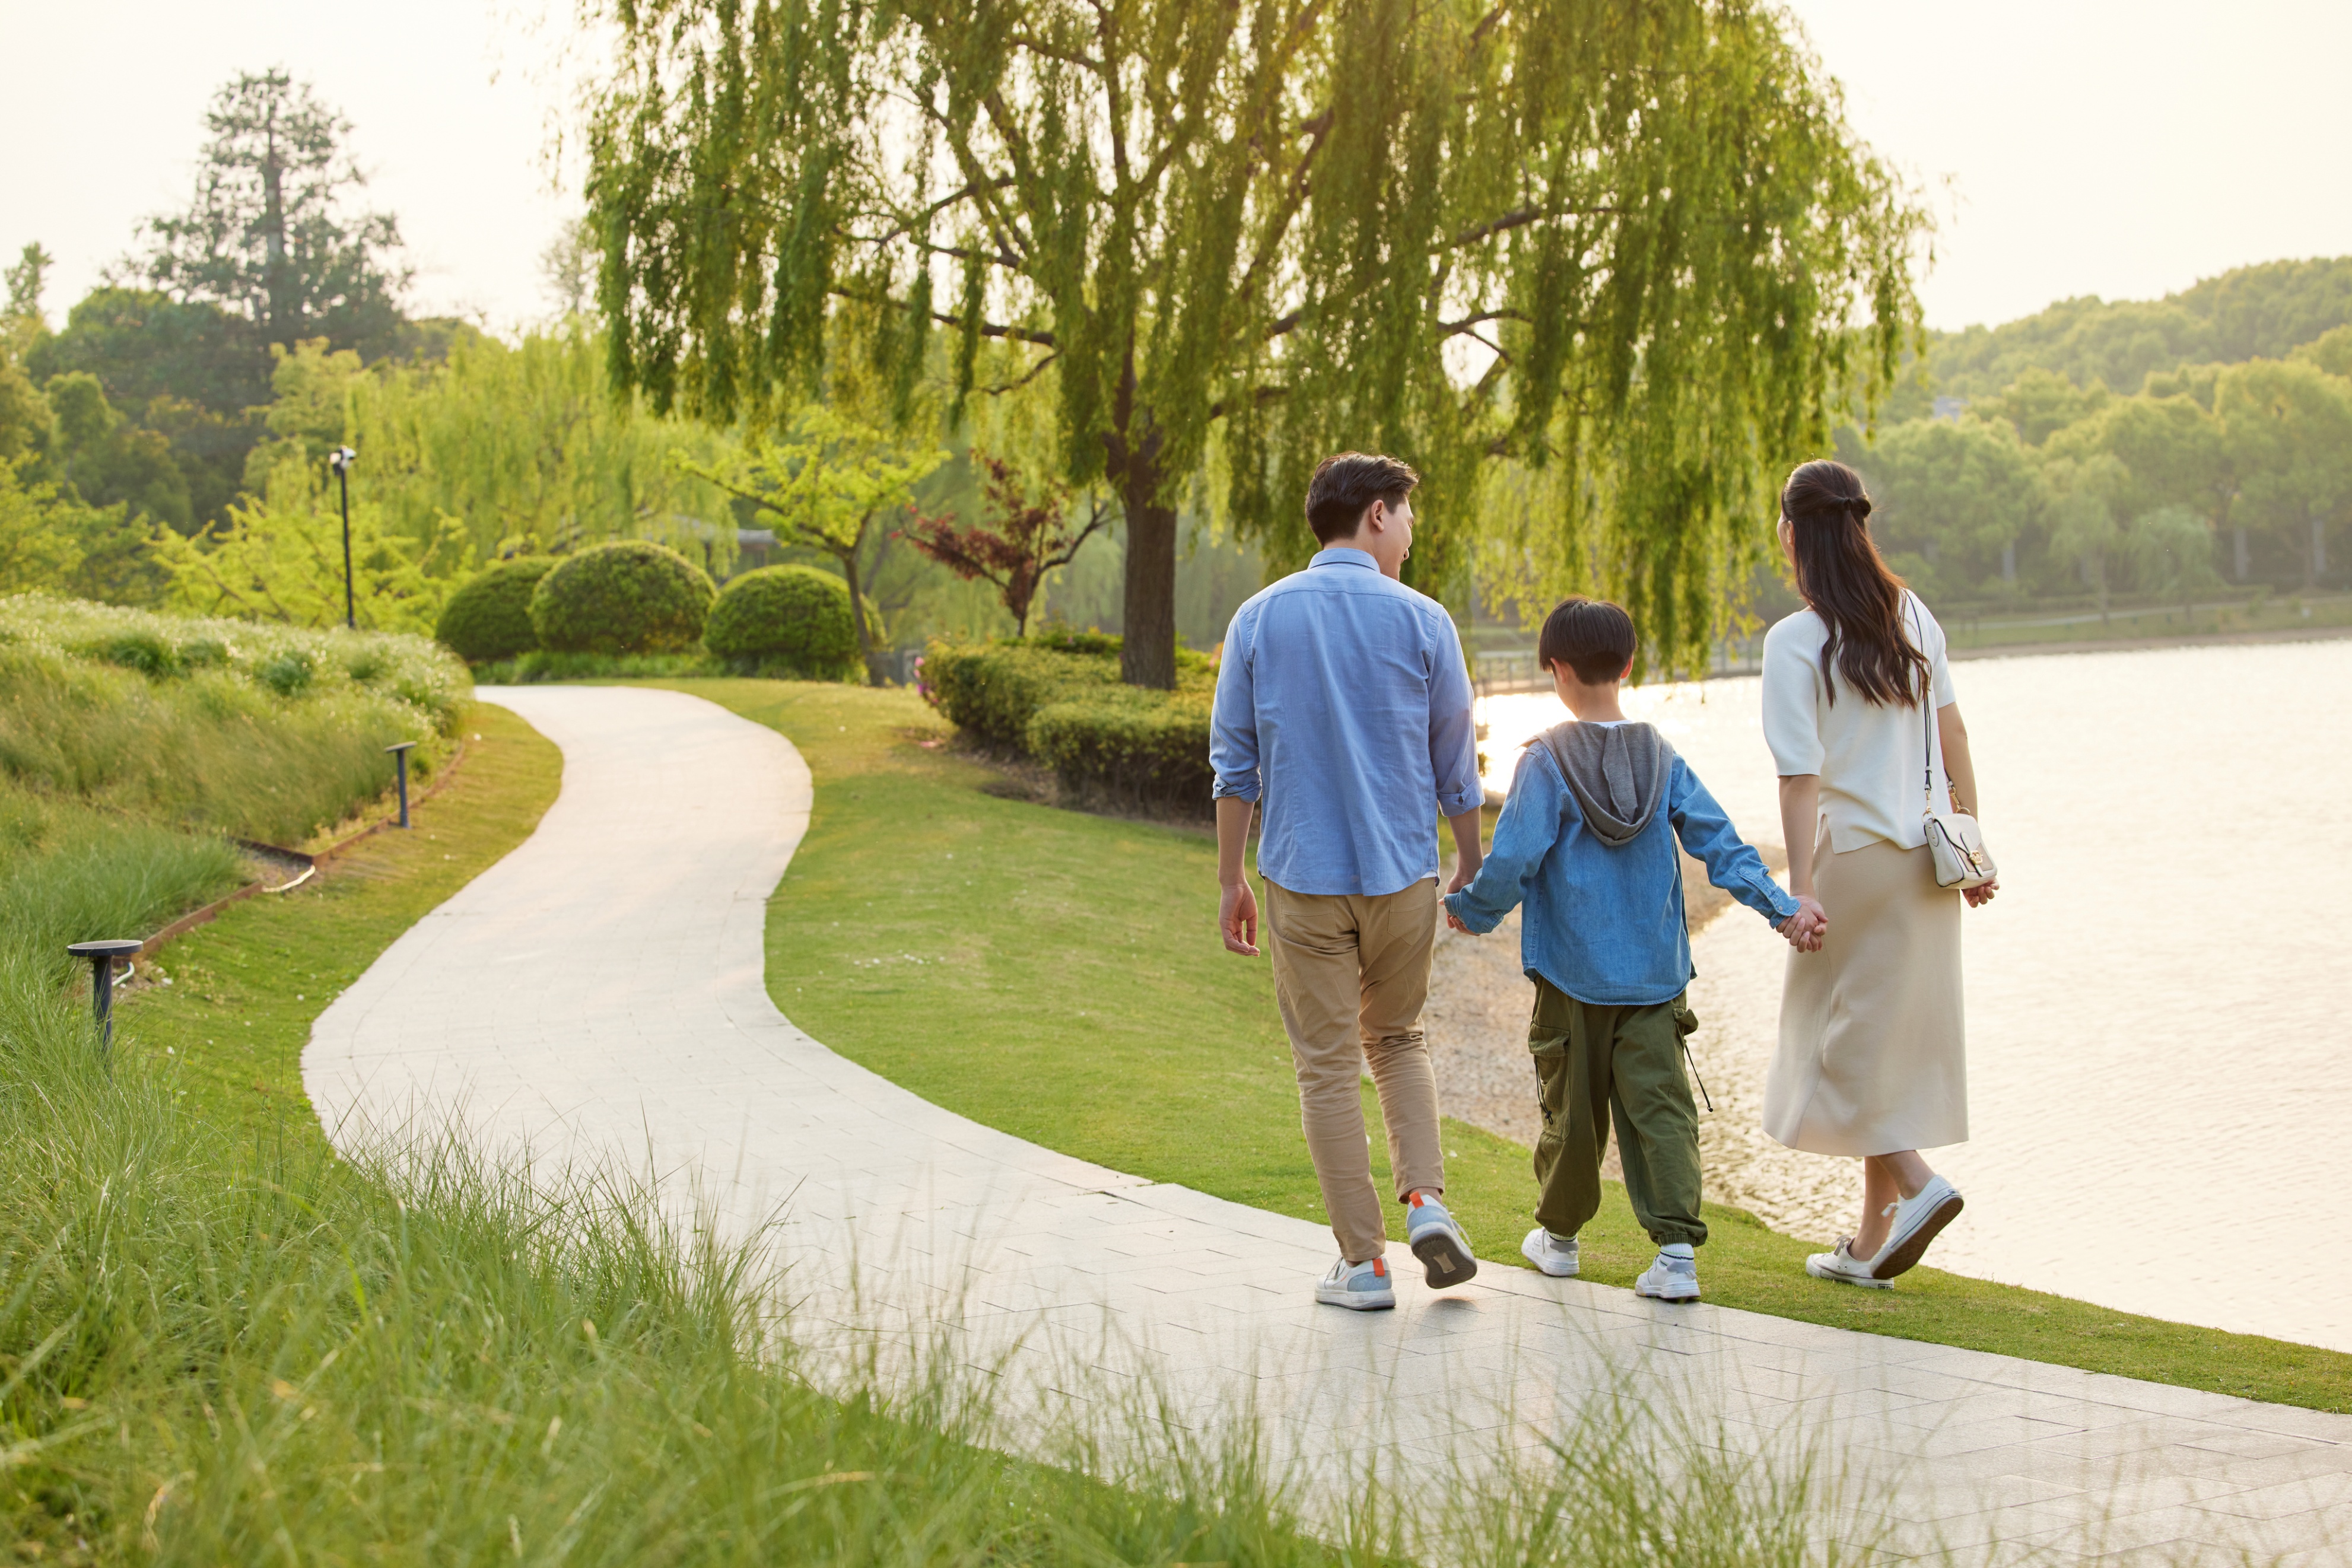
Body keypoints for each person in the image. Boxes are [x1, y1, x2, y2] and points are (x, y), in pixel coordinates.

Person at [1444, 597, 1810, 1302]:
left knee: (1570, 1114)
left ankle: (1559, 1241)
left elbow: (1515, 857)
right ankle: (1675, 1255)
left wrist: (1472, 911)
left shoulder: (1545, 761)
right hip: (1654, 977)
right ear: (1629, 665)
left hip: (1571, 976)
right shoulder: (1662, 755)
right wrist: (1781, 909)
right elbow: (1719, 845)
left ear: (1555, 670)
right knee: (1662, 1111)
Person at [1210, 452, 1485, 1312]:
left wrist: (1230, 879)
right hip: (1403, 874)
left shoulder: (1257, 618)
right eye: (1406, 514)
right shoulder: (1426, 620)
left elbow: (1234, 766)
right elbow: (1457, 762)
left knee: (1327, 1066)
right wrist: (1470, 860)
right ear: (1374, 515)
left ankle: (1363, 1265)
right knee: (1397, 1036)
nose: (1410, 530)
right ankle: (1428, 1200)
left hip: (1302, 873)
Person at [1760, 458, 1998, 1289]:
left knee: (1826, 1043)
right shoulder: (1913, 615)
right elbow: (1955, 737)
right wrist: (1971, 841)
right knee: (1879, 1046)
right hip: (1927, 867)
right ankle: (1870, 1244)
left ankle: (1918, 1182)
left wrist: (1799, 887)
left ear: (1793, 534)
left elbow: (1800, 775)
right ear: (1860, 527)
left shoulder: (1795, 640)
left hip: (1854, 859)